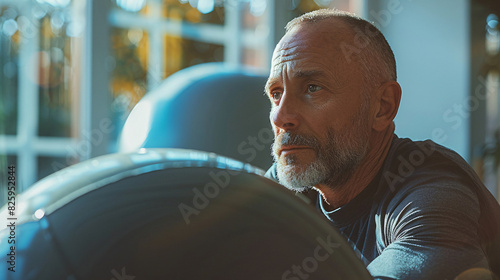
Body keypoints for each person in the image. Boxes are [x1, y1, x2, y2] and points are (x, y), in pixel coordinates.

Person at [264, 8, 500, 279]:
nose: (281, 117)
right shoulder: (286, 191)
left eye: (312, 88)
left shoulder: (432, 192)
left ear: (382, 107)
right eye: (276, 94)